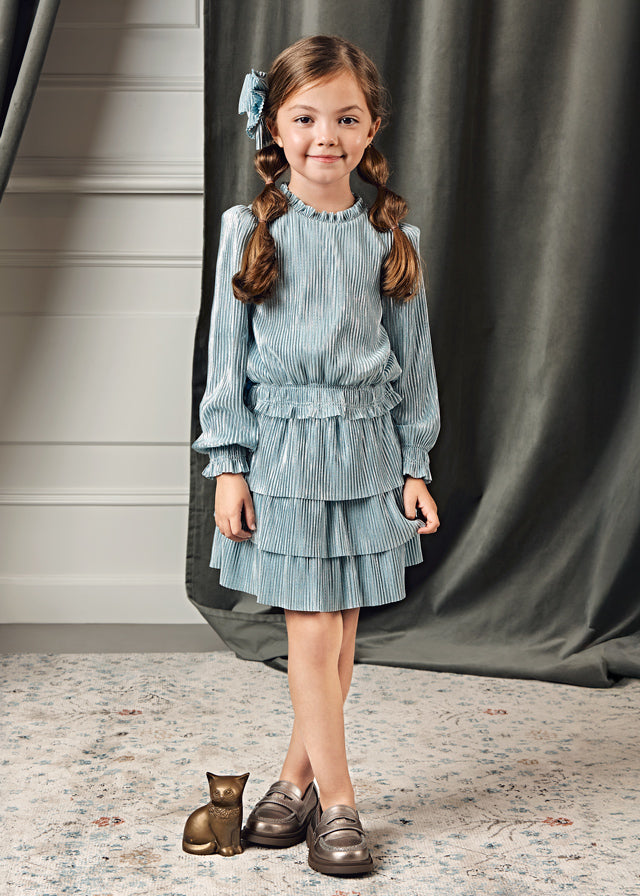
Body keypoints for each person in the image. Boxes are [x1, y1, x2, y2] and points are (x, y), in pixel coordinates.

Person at [192, 34, 440, 877]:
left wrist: (414, 465)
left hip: (366, 452)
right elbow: (225, 359)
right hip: (285, 453)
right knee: (310, 628)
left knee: (338, 636)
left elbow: (415, 362)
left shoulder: (389, 234)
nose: (324, 136)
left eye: (345, 118)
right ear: (274, 127)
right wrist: (230, 463)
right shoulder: (248, 229)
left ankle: (294, 783)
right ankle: (340, 805)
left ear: (371, 129)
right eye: (304, 118)